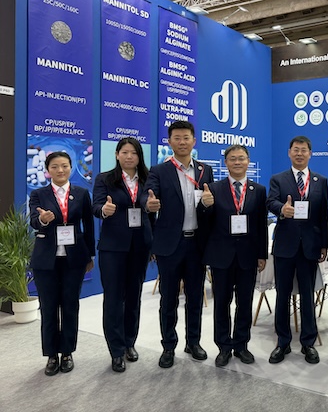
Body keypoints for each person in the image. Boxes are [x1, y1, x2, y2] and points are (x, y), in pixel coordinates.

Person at [140, 121, 214, 368]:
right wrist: (148, 203)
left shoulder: (205, 170)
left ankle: (193, 342)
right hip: (170, 245)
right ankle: (168, 346)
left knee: (195, 297)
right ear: (170, 141)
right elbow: (147, 194)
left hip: (197, 245)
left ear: (194, 141)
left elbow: (208, 205)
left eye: (186, 138)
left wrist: (209, 203)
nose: (182, 142)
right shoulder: (160, 170)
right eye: (177, 138)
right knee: (168, 299)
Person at [29, 151, 95, 376]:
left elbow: (88, 226)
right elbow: (33, 221)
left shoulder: (81, 193)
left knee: (70, 306)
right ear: (47, 170)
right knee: (48, 308)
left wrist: (90, 255)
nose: (60, 170)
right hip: (45, 260)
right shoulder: (38, 194)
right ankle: (51, 355)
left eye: (64, 166)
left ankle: (67, 352)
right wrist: (42, 220)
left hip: (74, 259)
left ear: (70, 167)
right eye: (55, 166)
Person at [202, 145, 267, 367]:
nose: (237, 162)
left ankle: (241, 345)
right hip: (221, 255)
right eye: (232, 159)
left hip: (248, 255)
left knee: (244, 302)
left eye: (241, 158)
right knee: (222, 303)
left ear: (248, 161)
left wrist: (261, 254)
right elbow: (205, 222)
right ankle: (223, 346)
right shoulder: (213, 188)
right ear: (226, 163)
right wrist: (205, 206)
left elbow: (261, 224)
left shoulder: (258, 190)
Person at [266, 136, 328, 365]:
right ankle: (282, 342)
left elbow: (322, 214)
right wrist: (281, 209)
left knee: (308, 296)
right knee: (282, 295)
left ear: (310, 154)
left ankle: (308, 342)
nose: (299, 153)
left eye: (303, 150)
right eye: (296, 150)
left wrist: (324, 243)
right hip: (285, 246)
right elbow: (270, 202)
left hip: (310, 246)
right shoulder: (278, 179)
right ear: (289, 153)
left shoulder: (320, 180)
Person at [92, 137, 153, 373]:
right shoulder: (105, 179)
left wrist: (153, 244)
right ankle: (116, 351)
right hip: (113, 247)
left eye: (133, 153)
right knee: (114, 298)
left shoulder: (148, 179)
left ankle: (129, 342)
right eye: (124, 152)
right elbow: (96, 206)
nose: (129, 156)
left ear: (139, 156)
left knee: (134, 296)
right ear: (117, 155)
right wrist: (104, 210)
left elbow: (152, 213)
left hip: (140, 246)